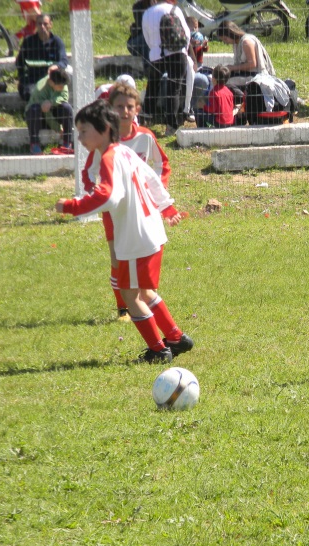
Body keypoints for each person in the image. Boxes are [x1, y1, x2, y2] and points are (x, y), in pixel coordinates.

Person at [55, 100, 193, 364]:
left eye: (84, 131)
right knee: (145, 291)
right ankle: (175, 338)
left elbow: (109, 197)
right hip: (151, 230)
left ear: (104, 128)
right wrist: (167, 207)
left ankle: (158, 350)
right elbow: (151, 179)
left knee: (131, 295)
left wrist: (72, 207)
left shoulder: (109, 157)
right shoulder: (125, 152)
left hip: (134, 237)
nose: (80, 137)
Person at [89, 83, 170, 321]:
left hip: (141, 211)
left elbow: (162, 164)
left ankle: (144, 297)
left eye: (129, 106)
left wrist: (157, 190)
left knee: (142, 255)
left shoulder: (146, 137)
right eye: (119, 106)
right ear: (110, 109)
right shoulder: (104, 141)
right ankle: (123, 307)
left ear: (137, 109)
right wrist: (100, 189)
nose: (124, 111)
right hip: (115, 211)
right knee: (117, 257)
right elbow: (92, 171)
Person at [142, 0, 189, 135]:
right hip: (178, 53)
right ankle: (171, 125)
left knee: (153, 85)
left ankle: (147, 116)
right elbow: (186, 32)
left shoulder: (147, 13)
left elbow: (147, 38)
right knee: (174, 89)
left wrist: (155, 49)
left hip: (157, 54)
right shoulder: (175, 10)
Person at [15, 13, 68, 101]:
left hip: (50, 78)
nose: (42, 26)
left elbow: (64, 60)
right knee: (28, 93)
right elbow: (19, 62)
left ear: (51, 25)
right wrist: (22, 77)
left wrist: (56, 66)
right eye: (39, 24)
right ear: (36, 25)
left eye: (45, 24)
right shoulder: (28, 41)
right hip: (32, 78)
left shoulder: (57, 42)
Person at [25, 68, 73, 155]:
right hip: (39, 119)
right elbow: (47, 113)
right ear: (51, 82)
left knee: (67, 108)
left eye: (63, 86)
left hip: (54, 113)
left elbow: (64, 97)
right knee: (34, 109)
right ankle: (34, 144)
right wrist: (58, 129)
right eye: (60, 86)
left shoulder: (62, 82)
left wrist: (51, 102)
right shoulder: (40, 89)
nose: (62, 88)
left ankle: (67, 143)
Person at [215, 21, 274, 90]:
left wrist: (232, 68)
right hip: (246, 74)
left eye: (225, 39)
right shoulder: (236, 43)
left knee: (226, 82)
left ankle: (237, 99)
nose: (225, 42)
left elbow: (252, 64)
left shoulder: (246, 42)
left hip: (256, 75)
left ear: (230, 34)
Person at [195, 64, 234, 129]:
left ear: (215, 79)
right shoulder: (229, 92)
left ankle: (202, 129)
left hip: (219, 122)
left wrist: (203, 106)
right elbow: (231, 107)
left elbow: (212, 110)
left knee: (198, 112)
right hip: (230, 122)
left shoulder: (214, 92)